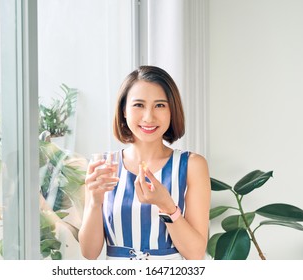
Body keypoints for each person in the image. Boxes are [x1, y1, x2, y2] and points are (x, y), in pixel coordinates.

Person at [78, 65, 211, 260]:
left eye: (160, 105)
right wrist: (94, 203)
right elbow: (89, 253)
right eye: (139, 105)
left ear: (172, 111)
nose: (149, 117)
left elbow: (195, 253)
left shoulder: (192, 165)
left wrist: (167, 206)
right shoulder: (104, 166)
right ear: (124, 110)